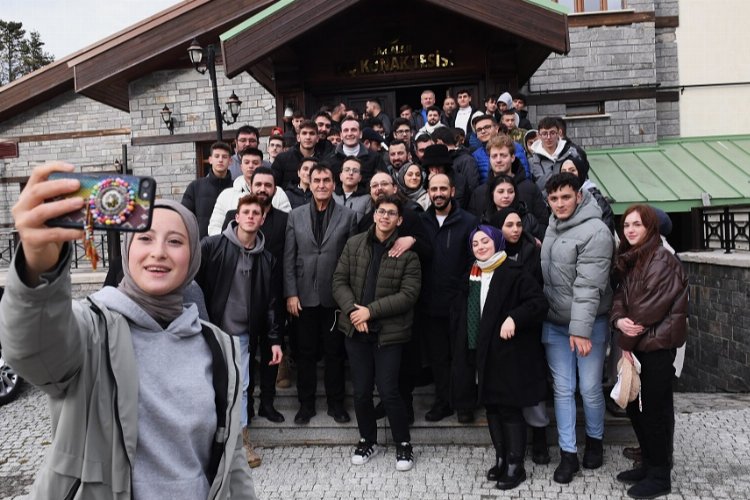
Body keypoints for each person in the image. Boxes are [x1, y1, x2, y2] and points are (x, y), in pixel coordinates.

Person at [0, 162, 257, 498]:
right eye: (145, 238)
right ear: (127, 250)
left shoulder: (218, 346)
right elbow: (33, 350)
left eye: (175, 241)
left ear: (194, 255)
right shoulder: (91, 330)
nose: (158, 252)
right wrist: (37, 267)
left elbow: (231, 461)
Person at [454, 225, 548, 490]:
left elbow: (539, 304)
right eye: (475, 244)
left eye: (485, 241)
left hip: (508, 354)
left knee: (508, 408)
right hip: (479, 353)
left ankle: (516, 465)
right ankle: (501, 458)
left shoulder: (514, 272)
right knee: (492, 408)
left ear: (497, 242)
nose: (480, 247)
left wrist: (514, 317)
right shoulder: (472, 273)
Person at [332, 195, 421, 472]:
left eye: (391, 213)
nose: (385, 217)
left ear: (399, 220)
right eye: (381, 211)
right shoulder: (354, 244)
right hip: (356, 331)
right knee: (360, 392)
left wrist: (369, 312)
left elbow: (408, 295)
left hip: (389, 333)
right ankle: (367, 439)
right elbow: (339, 281)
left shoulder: (408, 254)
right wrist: (353, 312)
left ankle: (403, 443)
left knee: (389, 390)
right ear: (374, 215)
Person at [541, 173, 614, 484]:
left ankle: (595, 441)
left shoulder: (596, 231)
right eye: (554, 198)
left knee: (589, 387)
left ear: (579, 197)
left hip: (589, 324)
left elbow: (588, 285)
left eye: (565, 197)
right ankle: (568, 453)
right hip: (555, 322)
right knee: (562, 389)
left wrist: (580, 330)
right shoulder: (551, 226)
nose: (560, 204)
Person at [610, 204, 687, 500]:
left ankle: (659, 475)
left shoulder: (662, 259)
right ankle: (648, 464)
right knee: (635, 407)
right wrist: (618, 320)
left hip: (658, 345)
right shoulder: (634, 257)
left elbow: (647, 309)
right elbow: (621, 297)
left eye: (637, 225)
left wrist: (625, 346)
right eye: (626, 225)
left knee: (654, 411)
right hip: (638, 345)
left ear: (650, 228)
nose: (630, 230)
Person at [196, 194, 284, 437]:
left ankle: (241, 441)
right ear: (237, 216)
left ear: (262, 219)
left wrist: (275, 340)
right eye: (246, 212)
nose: (251, 217)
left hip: (243, 335)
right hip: (212, 330)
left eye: (256, 213)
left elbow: (272, 304)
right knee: (210, 385)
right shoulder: (211, 246)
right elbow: (193, 286)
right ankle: (210, 438)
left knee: (242, 387)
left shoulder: (267, 259)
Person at [284, 163, 358, 425]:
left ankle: (336, 405)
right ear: (310, 183)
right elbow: (289, 258)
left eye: (326, 180)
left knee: (334, 353)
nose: (322, 185)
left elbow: (352, 260)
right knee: (305, 353)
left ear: (334, 184)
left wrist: (348, 297)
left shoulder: (348, 217)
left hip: (335, 297)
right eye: (317, 180)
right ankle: (306, 405)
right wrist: (291, 294)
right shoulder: (295, 216)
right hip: (303, 297)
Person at [419, 173, 478, 422]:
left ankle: (464, 404)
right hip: (430, 304)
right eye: (434, 189)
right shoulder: (421, 222)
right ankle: (443, 402)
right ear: (428, 192)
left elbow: (475, 259)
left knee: (462, 357)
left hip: (459, 302)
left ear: (452, 191)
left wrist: (462, 290)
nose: (438, 194)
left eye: (443, 189)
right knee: (438, 358)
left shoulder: (469, 221)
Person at [181, 141, 234, 239]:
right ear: (210, 160)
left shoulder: (236, 187)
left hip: (229, 243)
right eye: (216, 156)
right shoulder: (195, 187)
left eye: (224, 157)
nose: (220, 160)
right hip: (201, 243)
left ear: (230, 161)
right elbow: (184, 217)